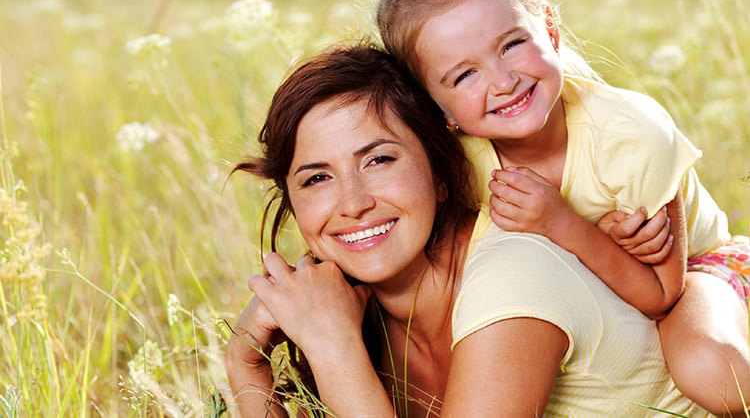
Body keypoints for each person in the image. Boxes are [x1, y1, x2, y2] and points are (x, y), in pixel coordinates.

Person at [224, 42, 712, 417]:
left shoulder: (513, 274)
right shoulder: (359, 310)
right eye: (317, 178)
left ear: (441, 174)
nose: (353, 204)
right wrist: (246, 367)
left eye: (379, 159)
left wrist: (333, 349)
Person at [376, 0, 750, 415]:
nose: (503, 80)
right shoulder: (458, 161)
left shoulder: (630, 134)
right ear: (437, 107)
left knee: (707, 369)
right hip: (597, 293)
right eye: (464, 75)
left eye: (511, 44)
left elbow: (660, 295)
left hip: (695, 272)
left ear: (549, 30)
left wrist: (562, 223)